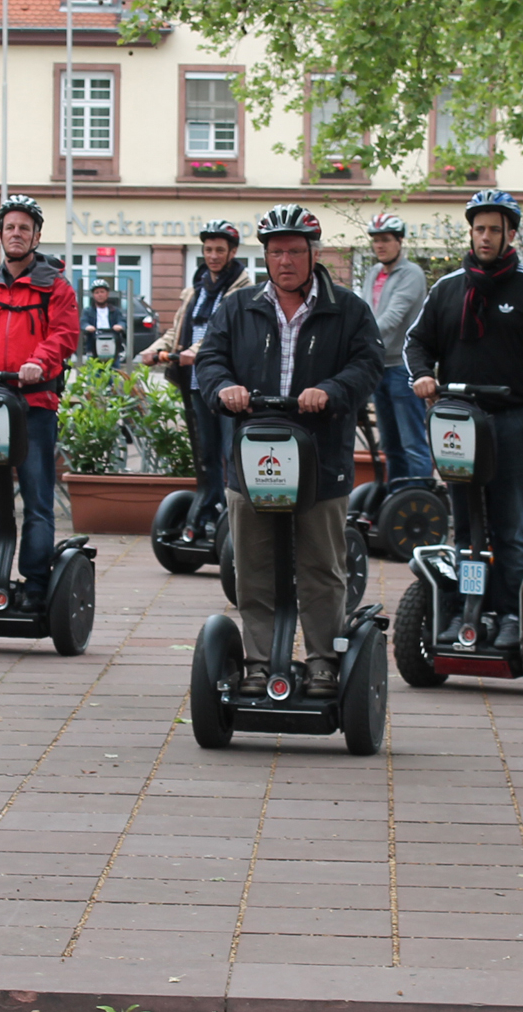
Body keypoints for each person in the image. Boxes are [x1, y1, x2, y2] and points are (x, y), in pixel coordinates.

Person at [196, 204, 384, 698]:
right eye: (276, 252)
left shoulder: (347, 309)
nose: (285, 261)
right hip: (253, 458)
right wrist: (224, 389)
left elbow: (368, 365)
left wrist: (332, 390)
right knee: (253, 566)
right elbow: (210, 360)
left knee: (321, 566)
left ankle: (322, 660)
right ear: (266, 256)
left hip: (320, 458)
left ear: (312, 254)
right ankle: (258, 662)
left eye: (295, 251)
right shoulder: (238, 308)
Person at [405, 191, 523, 649]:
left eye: (494, 230)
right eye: (479, 228)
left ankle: (510, 613)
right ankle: (465, 608)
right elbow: (416, 342)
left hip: (515, 421)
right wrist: (422, 374)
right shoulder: (450, 288)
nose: (485, 237)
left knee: (510, 525)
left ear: (510, 235)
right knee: (465, 523)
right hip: (460, 422)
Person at [0, 195, 80, 607]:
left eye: (25, 228)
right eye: (10, 227)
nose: (17, 234)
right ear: (1, 234)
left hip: (34, 407)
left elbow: (63, 335)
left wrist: (38, 362)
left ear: (37, 236)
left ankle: (37, 586)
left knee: (38, 500)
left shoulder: (54, 286)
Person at [140, 219, 253, 538]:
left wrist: (198, 351)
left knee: (232, 451)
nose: (213, 255)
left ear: (232, 252)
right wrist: (154, 349)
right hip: (195, 382)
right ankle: (209, 504)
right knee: (204, 452)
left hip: (228, 383)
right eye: (208, 249)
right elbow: (178, 330)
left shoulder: (243, 290)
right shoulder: (197, 289)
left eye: (220, 249)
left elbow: (225, 331)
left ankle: (237, 509)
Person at [359, 213, 432, 482]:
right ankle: (397, 499)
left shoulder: (411, 274)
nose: (380, 245)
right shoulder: (374, 273)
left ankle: (422, 499)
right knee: (390, 444)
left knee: (412, 442)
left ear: (399, 241)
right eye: (376, 240)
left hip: (403, 369)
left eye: (386, 240)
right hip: (380, 367)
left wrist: (358, 341)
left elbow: (391, 319)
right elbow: (365, 312)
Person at [80, 278, 127, 361]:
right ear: (93, 295)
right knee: (94, 372)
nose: (100, 295)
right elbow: (83, 322)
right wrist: (87, 327)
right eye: (97, 292)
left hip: (112, 345)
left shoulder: (115, 310)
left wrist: (120, 326)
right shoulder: (88, 311)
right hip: (93, 346)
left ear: (107, 294)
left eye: (102, 292)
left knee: (113, 372)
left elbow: (122, 321)